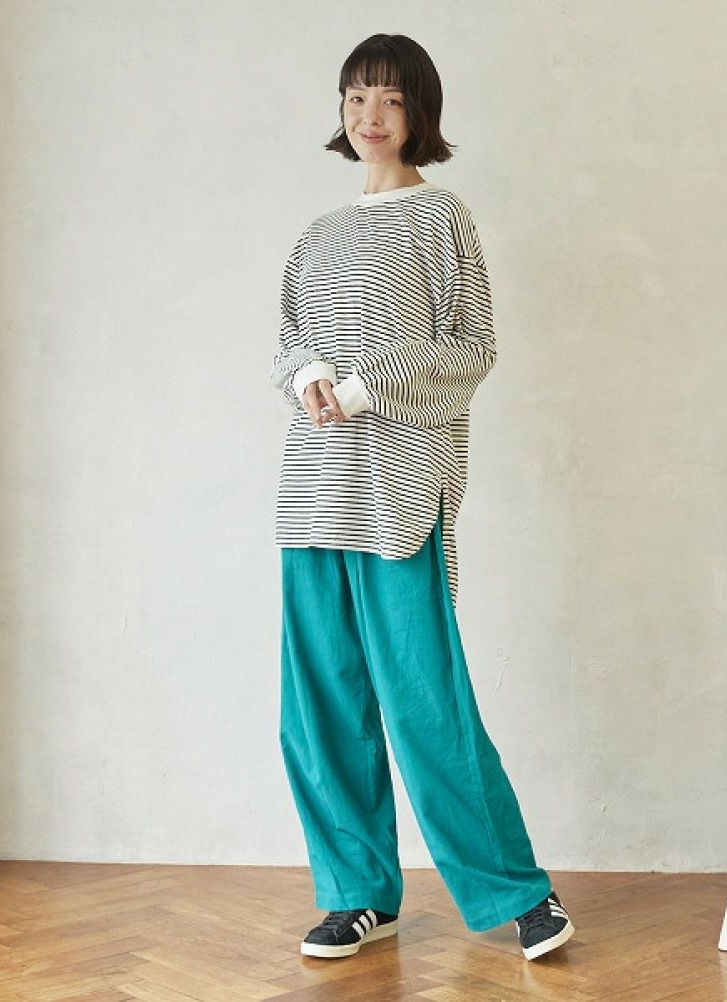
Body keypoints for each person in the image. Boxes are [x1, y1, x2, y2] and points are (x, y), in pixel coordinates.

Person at [270, 32, 575, 963]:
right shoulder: (317, 235)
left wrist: (367, 387)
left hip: (400, 489)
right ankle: (358, 894)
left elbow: (472, 349)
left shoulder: (443, 219)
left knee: (424, 703)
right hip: (314, 491)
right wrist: (308, 377)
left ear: (419, 114)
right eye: (356, 97)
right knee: (319, 708)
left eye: (391, 100)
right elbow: (288, 338)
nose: (370, 116)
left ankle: (517, 892)